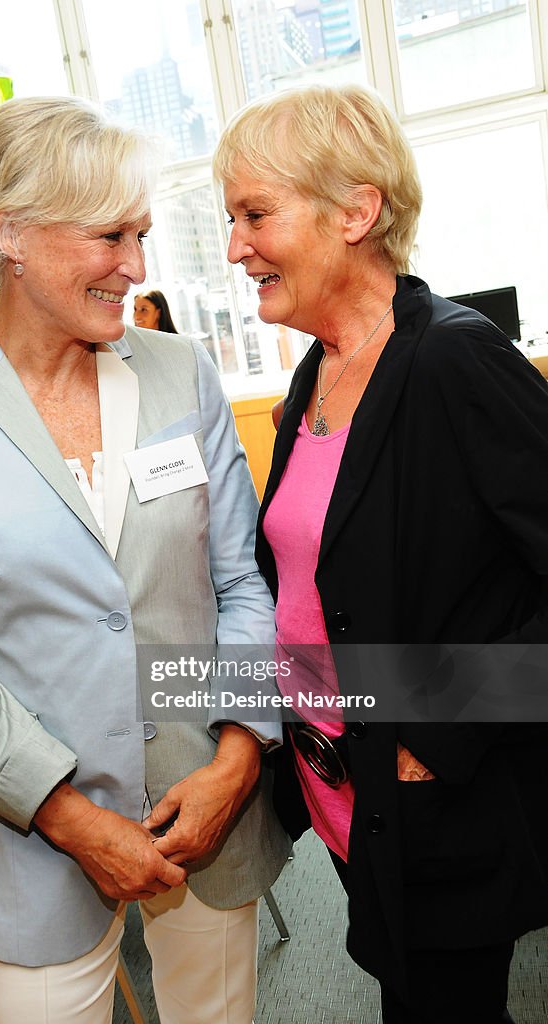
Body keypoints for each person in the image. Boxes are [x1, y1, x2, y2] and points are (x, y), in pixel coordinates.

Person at [0, 96, 290, 1024]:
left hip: (204, 811)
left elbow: (238, 585)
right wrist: (67, 816)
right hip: (36, 837)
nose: (136, 266)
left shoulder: (180, 372)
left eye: (140, 233)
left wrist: (235, 756)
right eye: (109, 235)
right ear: (8, 232)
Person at [213, 83, 548, 1024]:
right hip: (346, 799)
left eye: (254, 214)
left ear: (355, 212)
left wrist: (433, 737)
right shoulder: (320, 364)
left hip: (438, 802)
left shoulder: (452, 360)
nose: (235, 246)